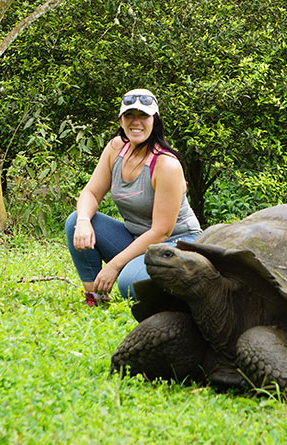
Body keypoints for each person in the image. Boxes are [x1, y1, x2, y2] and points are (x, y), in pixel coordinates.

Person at [65, 89, 202, 306]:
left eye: (143, 115)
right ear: (120, 120)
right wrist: (83, 222)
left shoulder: (166, 164)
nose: (135, 122)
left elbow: (161, 231)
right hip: (137, 239)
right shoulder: (116, 149)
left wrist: (114, 265)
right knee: (75, 221)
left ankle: (188, 291)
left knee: (129, 283)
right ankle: (96, 298)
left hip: (176, 243)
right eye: (129, 115)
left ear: (154, 120)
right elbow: (90, 193)